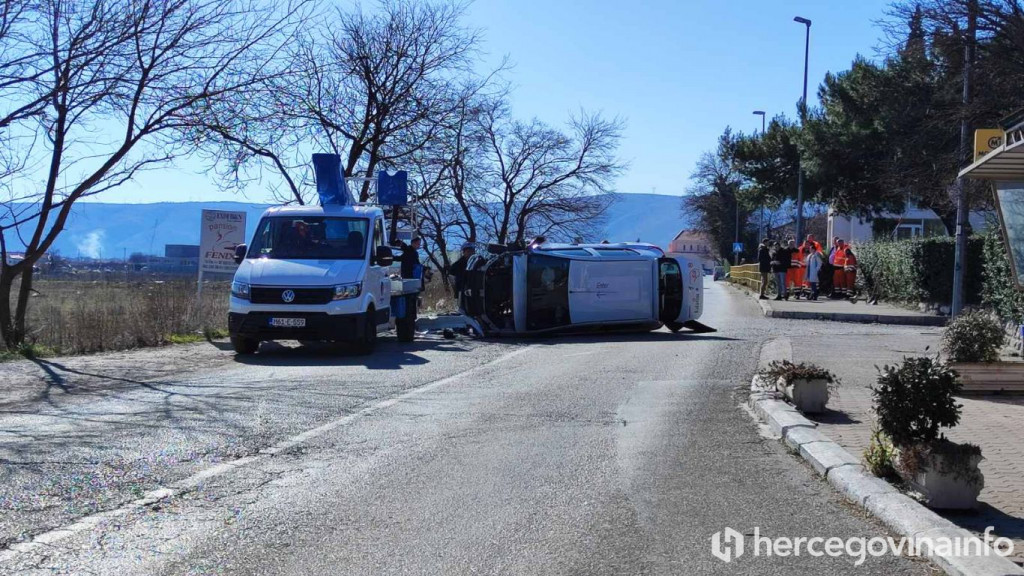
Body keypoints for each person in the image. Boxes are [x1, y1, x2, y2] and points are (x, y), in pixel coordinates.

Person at [448, 243, 476, 311]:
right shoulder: (459, 263)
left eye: (471, 251)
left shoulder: (477, 262)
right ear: (464, 252)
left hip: (474, 288)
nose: (470, 253)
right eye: (468, 251)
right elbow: (451, 272)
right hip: (462, 288)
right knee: (462, 308)